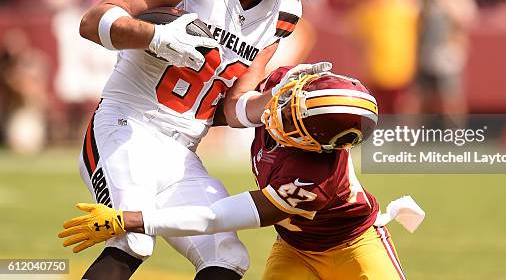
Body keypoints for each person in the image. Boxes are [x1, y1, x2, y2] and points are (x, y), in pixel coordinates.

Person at [72, 0, 330, 280]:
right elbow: (92, 21)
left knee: (228, 256)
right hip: (126, 126)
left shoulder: (283, 13)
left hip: (182, 151)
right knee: (131, 239)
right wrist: (153, 37)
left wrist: (278, 102)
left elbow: (234, 105)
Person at [60, 68, 425, 279]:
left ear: (317, 145)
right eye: (289, 98)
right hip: (296, 247)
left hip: (354, 246)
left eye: (292, 115)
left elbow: (216, 217)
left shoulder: (313, 176)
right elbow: (225, 107)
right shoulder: (284, 85)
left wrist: (131, 219)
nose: (277, 109)